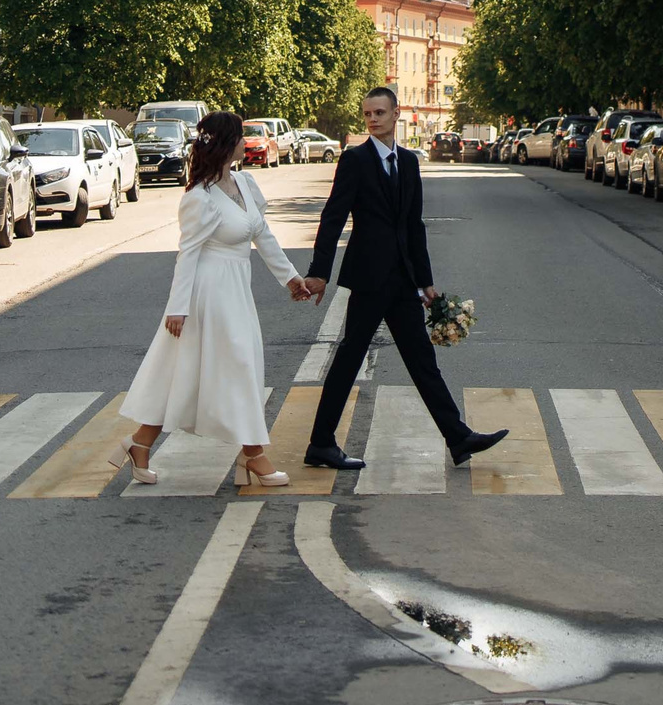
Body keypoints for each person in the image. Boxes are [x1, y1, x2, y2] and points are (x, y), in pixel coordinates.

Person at [117, 112, 327, 487]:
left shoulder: (244, 184)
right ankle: (254, 455)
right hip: (208, 294)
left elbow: (263, 236)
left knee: (187, 372)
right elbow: (189, 253)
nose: (246, 142)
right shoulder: (200, 197)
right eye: (241, 137)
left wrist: (292, 279)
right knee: (239, 367)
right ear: (227, 143)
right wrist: (178, 307)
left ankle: (140, 444)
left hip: (235, 288)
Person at [303, 86, 505, 471]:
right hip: (368, 278)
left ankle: (458, 438)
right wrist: (318, 273)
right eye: (367, 114)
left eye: (380, 112)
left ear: (397, 115)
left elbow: (414, 225)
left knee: (422, 360)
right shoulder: (355, 161)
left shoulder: (409, 162)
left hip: (402, 281)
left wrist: (425, 281)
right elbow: (333, 218)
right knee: (349, 359)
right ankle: (321, 444)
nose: (373, 119)